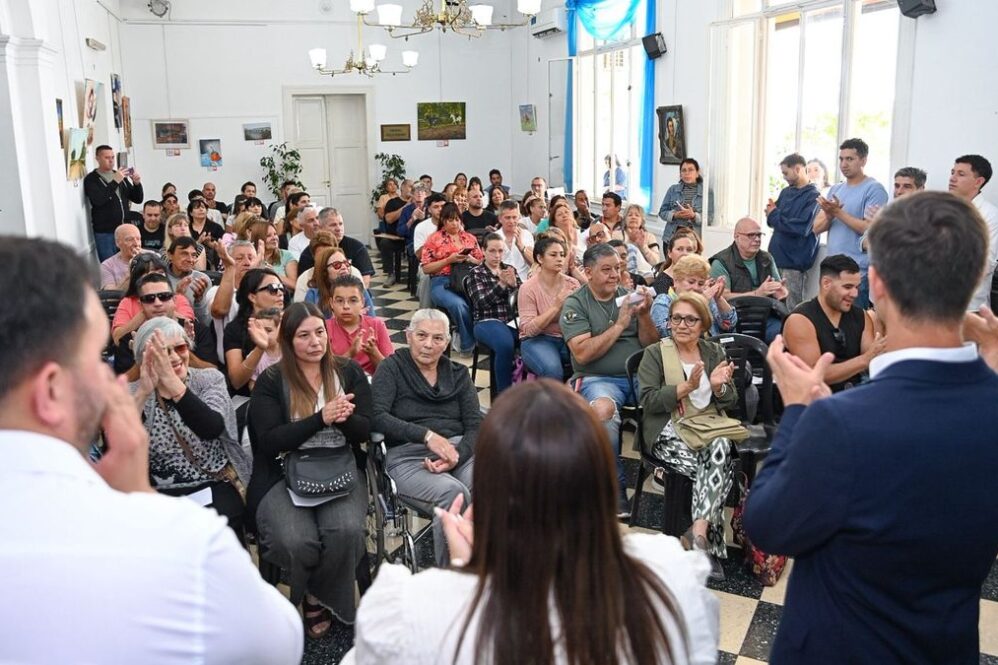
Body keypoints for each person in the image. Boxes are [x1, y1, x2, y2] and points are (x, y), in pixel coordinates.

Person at [0, 236, 303, 664]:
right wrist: (142, 508)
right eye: (93, 360)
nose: (109, 379)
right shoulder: (184, 546)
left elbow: (214, 425)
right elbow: (278, 644)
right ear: (51, 390)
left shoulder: (206, 381)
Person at [744, 191, 998, 663]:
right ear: (973, 281)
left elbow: (769, 526)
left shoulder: (841, 423)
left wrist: (799, 412)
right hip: (946, 647)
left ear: (875, 284)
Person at [349, 380, 719, 665]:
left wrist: (470, 575)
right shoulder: (670, 575)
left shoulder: (412, 608)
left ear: (488, 481)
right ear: (602, 479)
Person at [248, 302, 371, 639]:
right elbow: (270, 441)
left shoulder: (347, 371)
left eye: (320, 332)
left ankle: (317, 596)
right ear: (288, 341)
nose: (315, 341)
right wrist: (321, 418)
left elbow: (368, 430)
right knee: (295, 539)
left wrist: (343, 420)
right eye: (304, 335)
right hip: (282, 471)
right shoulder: (272, 380)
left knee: (345, 531)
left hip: (339, 465)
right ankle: (316, 591)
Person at [639, 292, 738, 580]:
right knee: (721, 470)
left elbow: (729, 400)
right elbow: (649, 401)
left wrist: (718, 387)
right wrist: (686, 387)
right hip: (668, 430)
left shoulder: (713, 353)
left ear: (703, 324)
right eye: (676, 318)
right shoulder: (655, 353)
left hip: (706, 429)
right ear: (669, 323)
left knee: (718, 449)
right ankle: (707, 548)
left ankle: (696, 536)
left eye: (690, 319)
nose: (682, 324)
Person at [371, 309, 481, 566]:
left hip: (457, 452)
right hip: (408, 457)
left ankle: (486, 571)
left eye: (437, 338)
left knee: (489, 487)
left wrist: (457, 455)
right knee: (454, 494)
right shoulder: (391, 368)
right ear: (408, 336)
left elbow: (474, 424)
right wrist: (426, 436)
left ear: (446, 342)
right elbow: (376, 416)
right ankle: (450, 577)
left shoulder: (458, 374)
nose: (428, 344)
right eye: (421, 335)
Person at [561, 243, 658, 518]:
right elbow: (582, 353)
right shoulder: (575, 303)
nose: (615, 275)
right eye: (607, 270)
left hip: (639, 375)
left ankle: (667, 471)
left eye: (617, 268)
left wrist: (646, 316)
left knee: (673, 396)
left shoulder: (629, 296)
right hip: (597, 377)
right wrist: (619, 324)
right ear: (588, 272)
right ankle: (613, 488)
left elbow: (651, 345)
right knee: (603, 411)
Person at [130, 317, 249, 537]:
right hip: (159, 492)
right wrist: (144, 392)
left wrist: (172, 383)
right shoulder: (134, 391)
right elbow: (119, 447)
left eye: (180, 347)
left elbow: (211, 427)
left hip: (213, 482)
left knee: (215, 530)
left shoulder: (209, 380)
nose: (175, 358)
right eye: (164, 353)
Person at [782, 254, 885, 393]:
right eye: (848, 287)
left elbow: (872, 361)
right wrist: (864, 360)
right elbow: (815, 374)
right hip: (813, 400)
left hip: (854, 394)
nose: (855, 294)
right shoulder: (799, 320)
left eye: (857, 287)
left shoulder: (861, 316)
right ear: (826, 283)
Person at [812, 138, 889, 309]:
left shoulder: (874, 189)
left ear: (863, 160)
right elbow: (816, 228)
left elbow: (871, 230)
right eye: (841, 159)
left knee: (854, 326)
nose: (844, 164)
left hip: (856, 274)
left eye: (850, 159)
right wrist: (830, 215)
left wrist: (838, 212)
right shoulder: (835, 189)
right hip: (831, 271)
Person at [710, 217, 788, 342]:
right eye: (751, 235)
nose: (757, 239)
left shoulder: (767, 258)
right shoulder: (720, 262)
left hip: (766, 317)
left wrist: (780, 293)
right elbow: (722, 297)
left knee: (789, 333)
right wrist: (758, 294)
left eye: (759, 235)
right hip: (735, 321)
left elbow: (777, 288)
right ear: (736, 236)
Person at [421, 202, 485, 355]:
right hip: (441, 282)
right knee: (459, 305)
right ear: (443, 221)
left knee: (483, 300)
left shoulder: (469, 238)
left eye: (457, 219)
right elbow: (426, 268)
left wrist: (470, 259)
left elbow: (482, 262)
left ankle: (482, 339)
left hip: (466, 280)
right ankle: (468, 345)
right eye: (450, 220)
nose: (454, 223)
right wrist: (449, 260)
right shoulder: (434, 239)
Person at [517, 236, 580, 380]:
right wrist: (556, 306)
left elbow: (577, 317)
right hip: (538, 339)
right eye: (553, 255)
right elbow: (529, 330)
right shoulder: (528, 288)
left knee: (591, 361)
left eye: (562, 255)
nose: (560, 259)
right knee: (553, 371)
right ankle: (551, 402)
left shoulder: (572, 283)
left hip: (568, 336)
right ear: (540, 258)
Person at [467, 234, 521, 394]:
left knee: (534, 338)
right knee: (505, 345)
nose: (497, 255)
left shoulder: (510, 269)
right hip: (486, 321)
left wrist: (514, 286)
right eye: (492, 251)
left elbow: (524, 299)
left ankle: (526, 390)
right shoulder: (476, 273)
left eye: (500, 251)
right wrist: (502, 284)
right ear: (483, 251)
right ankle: (504, 396)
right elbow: (481, 303)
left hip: (511, 320)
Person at [766, 153, 821, 309]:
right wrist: (774, 215)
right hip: (776, 259)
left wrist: (775, 215)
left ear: (797, 169)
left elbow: (801, 227)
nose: (784, 177)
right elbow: (771, 219)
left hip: (794, 263)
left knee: (792, 308)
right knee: (773, 306)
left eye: (786, 173)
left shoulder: (813, 196)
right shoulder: (785, 192)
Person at [223, 268, 286, 397]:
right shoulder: (235, 329)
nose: (280, 293)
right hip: (249, 398)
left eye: (281, 287)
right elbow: (236, 381)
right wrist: (260, 347)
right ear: (252, 296)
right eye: (273, 288)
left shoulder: (291, 321)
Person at [948, 154, 998, 311]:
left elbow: (985, 264)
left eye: (961, 174)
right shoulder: (942, 209)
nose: (952, 178)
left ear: (978, 182)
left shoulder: (990, 215)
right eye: (952, 172)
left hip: (969, 307)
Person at [651, 255, 737, 339]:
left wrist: (718, 298)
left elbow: (729, 324)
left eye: (700, 283)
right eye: (691, 282)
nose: (696, 288)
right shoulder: (663, 302)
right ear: (676, 281)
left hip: (715, 349)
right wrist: (699, 304)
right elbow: (668, 334)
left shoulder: (707, 298)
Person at [84, 144, 145, 261]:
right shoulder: (92, 179)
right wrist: (115, 181)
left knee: (128, 263)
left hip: (124, 230)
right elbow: (98, 200)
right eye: (107, 158)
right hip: (106, 232)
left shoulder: (119, 175)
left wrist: (137, 184)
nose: (111, 160)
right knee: (109, 264)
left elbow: (137, 199)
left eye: (112, 157)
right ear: (97, 158)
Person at [326, 275, 393, 375]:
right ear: (331, 303)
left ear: (362, 302)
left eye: (353, 300)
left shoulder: (376, 325)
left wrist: (373, 352)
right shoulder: (324, 328)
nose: (346, 306)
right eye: (340, 301)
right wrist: (350, 353)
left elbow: (391, 372)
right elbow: (323, 372)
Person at [307, 245, 377, 316]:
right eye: (337, 265)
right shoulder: (313, 295)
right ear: (324, 271)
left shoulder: (360, 290)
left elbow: (373, 322)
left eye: (346, 263)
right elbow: (310, 325)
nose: (344, 267)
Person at [658, 158, 705, 244]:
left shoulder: (706, 192)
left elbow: (710, 218)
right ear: (680, 174)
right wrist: (675, 215)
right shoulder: (672, 190)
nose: (687, 173)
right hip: (672, 238)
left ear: (697, 173)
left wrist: (694, 216)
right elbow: (662, 212)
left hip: (694, 240)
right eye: (684, 170)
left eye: (690, 170)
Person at [247, 219, 298, 292]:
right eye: (268, 236)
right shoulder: (249, 257)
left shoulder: (286, 255)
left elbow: (294, 285)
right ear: (258, 239)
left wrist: (273, 273)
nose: (274, 238)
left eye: (275, 234)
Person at [652, 227, 703, 295]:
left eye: (689, 249)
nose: (685, 253)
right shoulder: (662, 282)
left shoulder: (698, 276)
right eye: (679, 249)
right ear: (670, 253)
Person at [100, 223, 147, 291]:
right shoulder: (107, 266)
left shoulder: (153, 256)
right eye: (130, 239)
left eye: (138, 239)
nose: (136, 244)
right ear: (118, 243)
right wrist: (130, 273)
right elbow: (110, 294)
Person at [494, 199, 533, 280]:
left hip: (525, 281)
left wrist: (521, 247)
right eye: (507, 218)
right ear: (500, 218)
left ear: (519, 217)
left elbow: (534, 263)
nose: (511, 221)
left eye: (514, 217)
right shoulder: (494, 237)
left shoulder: (527, 235)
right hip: (502, 282)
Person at [623, 203, 661, 276]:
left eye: (637, 215)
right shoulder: (617, 234)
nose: (633, 217)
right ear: (625, 219)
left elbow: (655, 262)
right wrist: (630, 241)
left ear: (642, 220)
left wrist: (643, 246)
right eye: (630, 215)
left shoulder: (649, 236)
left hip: (644, 275)